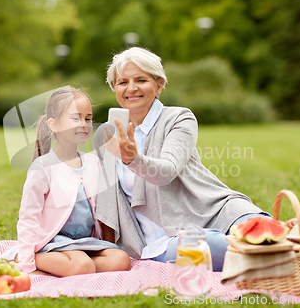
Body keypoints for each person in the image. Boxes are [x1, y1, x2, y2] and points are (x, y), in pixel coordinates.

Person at [94, 47, 271, 272]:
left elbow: (167, 171)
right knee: (231, 249)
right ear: (114, 88)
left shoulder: (179, 118)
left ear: (159, 85)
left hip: (216, 211)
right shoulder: (105, 136)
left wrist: (133, 158)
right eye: (122, 82)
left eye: (141, 80)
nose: (131, 88)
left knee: (267, 236)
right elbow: (106, 198)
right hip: (165, 238)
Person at [4, 87, 130, 277]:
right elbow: (29, 217)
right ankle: (21, 258)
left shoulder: (93, 162)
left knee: (120, 259)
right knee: (82, 266)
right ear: (53, 125)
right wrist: (27, 263)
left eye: (88, 118)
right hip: (53, 242)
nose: (84, 124)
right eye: (75, 118)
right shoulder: (43, 167)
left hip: (85, 243)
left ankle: (74, 265)